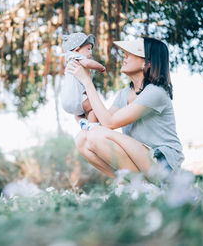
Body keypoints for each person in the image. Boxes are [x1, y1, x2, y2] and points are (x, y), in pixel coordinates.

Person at [66, 37, 184, 178]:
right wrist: (78, 105)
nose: (125, 55)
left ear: (148, 63)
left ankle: (141, 185)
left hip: (163, 164)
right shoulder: (125, 94)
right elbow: (101, 123)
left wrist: (86, 81)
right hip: (139, 157)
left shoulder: (155, 92)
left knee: (95, 134)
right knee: (82, 139)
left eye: (132, 53)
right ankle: (133, 185)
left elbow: (109, 123)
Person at [60, 32, 106, 129]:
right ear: (77, 50)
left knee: (77, 114)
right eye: (88, 49)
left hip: (66, 102)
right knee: (94, 108)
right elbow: (88, 63)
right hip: (78, 99)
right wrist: (100, 67)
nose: (91, 52)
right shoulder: (77, 58)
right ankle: (92, 126)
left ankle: (82, 122)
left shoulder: (69, 60)